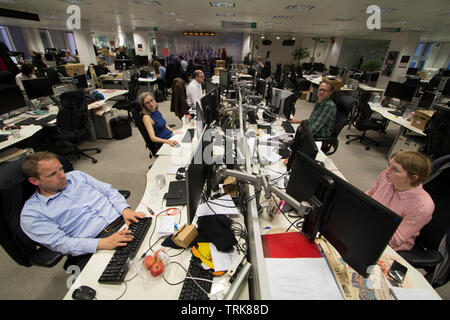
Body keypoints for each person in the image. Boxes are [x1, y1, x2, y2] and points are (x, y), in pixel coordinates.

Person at [20, 152, 146, 268]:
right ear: (34, 180)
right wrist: (102, 243)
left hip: (125, 222)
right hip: (96, 245)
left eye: (61, 168)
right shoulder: (32, 213)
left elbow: (109, 191)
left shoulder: (77, 177)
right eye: (52, 174)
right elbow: (61, 243)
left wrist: (125, 210)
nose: (62, 175)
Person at [366, 151, 435, 251]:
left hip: (387, 246)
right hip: (367, 224)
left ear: (413, 178)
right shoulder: (387, 178)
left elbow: (393, 240)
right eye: (389, 165)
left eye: (395, 169)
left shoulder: (422, 207)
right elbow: (369, 195)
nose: (387, 171)